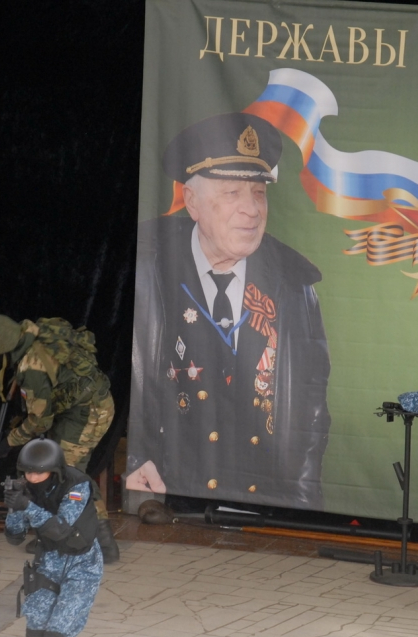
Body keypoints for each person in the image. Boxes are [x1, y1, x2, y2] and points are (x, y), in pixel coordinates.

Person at [127, 112, 331, 508]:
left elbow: (311, 410)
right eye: (232, 193)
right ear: (192, 202)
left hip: (266, 501)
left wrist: (303, 504)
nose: (251, 210)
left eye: (258, 193)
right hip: (167, 495)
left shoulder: (294, 285)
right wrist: (135, 459)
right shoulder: (147, 269)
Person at [0, 315, 120, 561]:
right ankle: (60, 535)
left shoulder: (31, 365)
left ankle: (103, 545)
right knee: (64, 473)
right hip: (77, 408)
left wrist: (10, 441)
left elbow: (40, 421)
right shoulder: (33, 332)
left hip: (87, 413)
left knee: (71, 476)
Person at [4, 438, 104, 637]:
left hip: (82, 566)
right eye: (27, 472)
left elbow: (61, 528)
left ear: (55, 470)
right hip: (48, 563)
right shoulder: (26, 488)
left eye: (39, 473)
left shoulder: (77, 485)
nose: (32, 478)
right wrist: (13, 507)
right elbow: (14, 536)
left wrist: (28, 507)